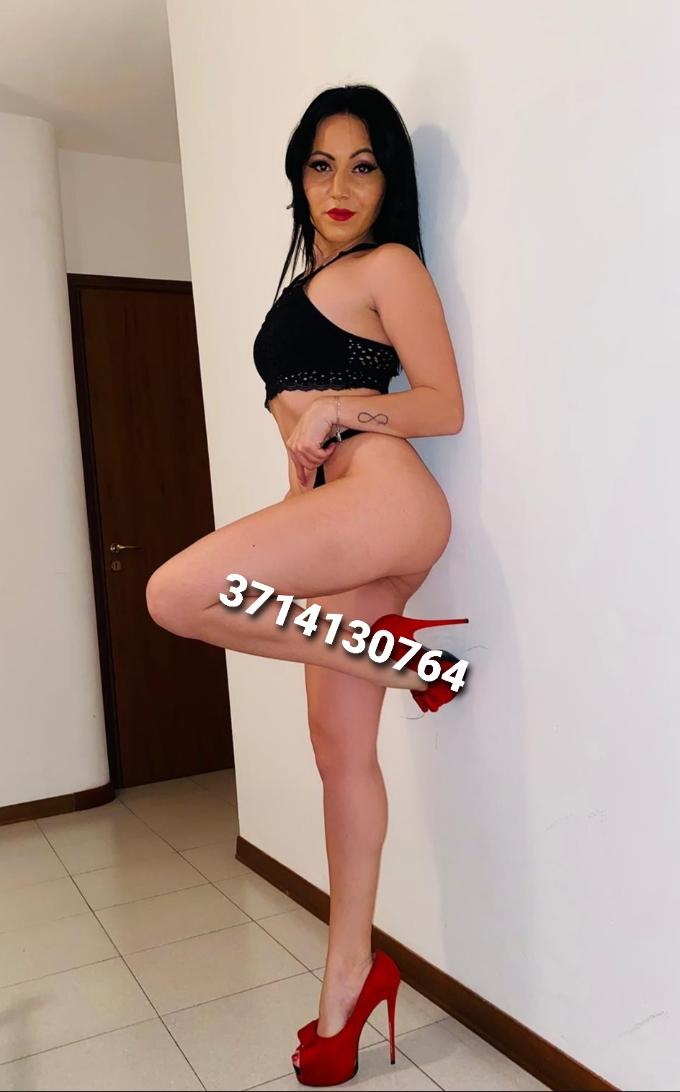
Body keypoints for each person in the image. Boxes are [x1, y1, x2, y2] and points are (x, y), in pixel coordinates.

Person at [145, 83, 466, 1087]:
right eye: (321, 164)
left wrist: (339, 407)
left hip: (388, 503)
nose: (339, 185)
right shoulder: (312, 281)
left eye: (363, 166)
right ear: (299, 176)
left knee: (174, 594)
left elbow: (443, 404)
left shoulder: (389, 265)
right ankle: (348, 982)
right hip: (344, 521)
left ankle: (399, 659)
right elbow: (304, 435)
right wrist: (300, 480)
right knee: (340, 756)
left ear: (388, 182)